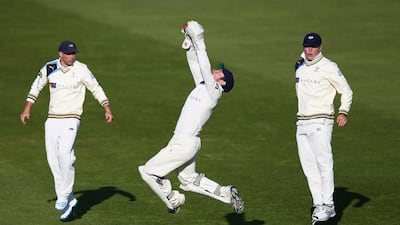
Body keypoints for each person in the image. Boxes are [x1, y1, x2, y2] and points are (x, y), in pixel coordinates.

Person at [138, 21, 244, 214]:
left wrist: (199, 39)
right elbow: (195, 63)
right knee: (188, 180)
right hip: (187, 142)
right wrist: (188, 42)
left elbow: (203, 63)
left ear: (222, 81)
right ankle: (227, 193)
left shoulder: (214, 91)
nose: (215, 69)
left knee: (147, 171)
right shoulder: (204, 86)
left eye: (219, 71)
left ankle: (173, 200)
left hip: (184, 143)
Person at [20, 40, 113, 222]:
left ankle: (63, 196)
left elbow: (96, 88)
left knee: (65, 154)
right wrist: (27, 109)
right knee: (53, 158)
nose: (72, 57)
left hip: (72, 118)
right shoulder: (49, 67)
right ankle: (70, 199)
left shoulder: (82, 69)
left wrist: (107, 108)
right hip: (52, 119)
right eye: (68, 54)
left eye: (74, 53)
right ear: (60, 54)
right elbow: (36, 86)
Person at [294, 33, 353, 224]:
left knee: (323, 163)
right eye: (306, 47)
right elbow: (301, 61)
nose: (309, 50)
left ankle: (329, 205)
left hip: (321, 121)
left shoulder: (329, 67)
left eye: (313, 47)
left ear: (321, 47)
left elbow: (346, 90)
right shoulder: (300, 66)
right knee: (309, 167)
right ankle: (319, 203)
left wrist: (343, 111)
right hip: (302, 122)